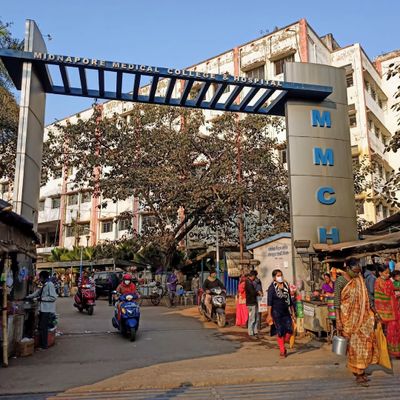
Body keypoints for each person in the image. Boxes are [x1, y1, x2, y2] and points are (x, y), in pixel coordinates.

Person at [335, 259, 378, 387]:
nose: (356, 274)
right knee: (353, 348)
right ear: (347, 268)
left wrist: (374, 311)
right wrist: (338, 320)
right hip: (348, 319)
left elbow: (367, 296)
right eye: (354, 271)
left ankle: (361, 370)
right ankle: (357, 373)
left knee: (364, 345)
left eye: (358, 271)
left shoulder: (360, 279)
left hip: (363, 319)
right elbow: (337, 301)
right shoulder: (340, 281)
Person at [26, 270, 58, 350]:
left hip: (47, 310)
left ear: (43, 277)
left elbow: (53, 297)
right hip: (43, 309)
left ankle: (44, 345)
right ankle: (42, 344)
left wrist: (41, 299)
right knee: (41, 327)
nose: (39, 279)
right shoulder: (44, 285)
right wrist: (27, 297)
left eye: (40, 277)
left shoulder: (50, 285)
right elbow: (37, 293)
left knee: (43, 327)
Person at [267, 269, 295, 357]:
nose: (280, 277)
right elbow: (269, 302)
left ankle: (284, 342)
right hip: (276, 312)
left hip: (286, 311)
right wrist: (269, 315)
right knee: (280, 331)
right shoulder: (272, 288)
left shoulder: (286, 285)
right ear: (274, 278)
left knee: (289, 330)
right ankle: (282, 350)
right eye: (278, 276)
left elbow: (289, 300)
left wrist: (293, 312)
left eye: (281, 275)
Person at [374, 265, 400, 358]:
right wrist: (396, 296)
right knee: (387, 332)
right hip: (384, 312)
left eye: (388, 272)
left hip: (393, 310)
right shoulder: (378, 282)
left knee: (395, 330)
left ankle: (396, 351)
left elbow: (391, 290)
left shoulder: (388, 281)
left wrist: (397, 290)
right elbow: (384, 296)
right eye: (386, 273)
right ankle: (386, 352)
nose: (388, 274)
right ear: (380, 273)